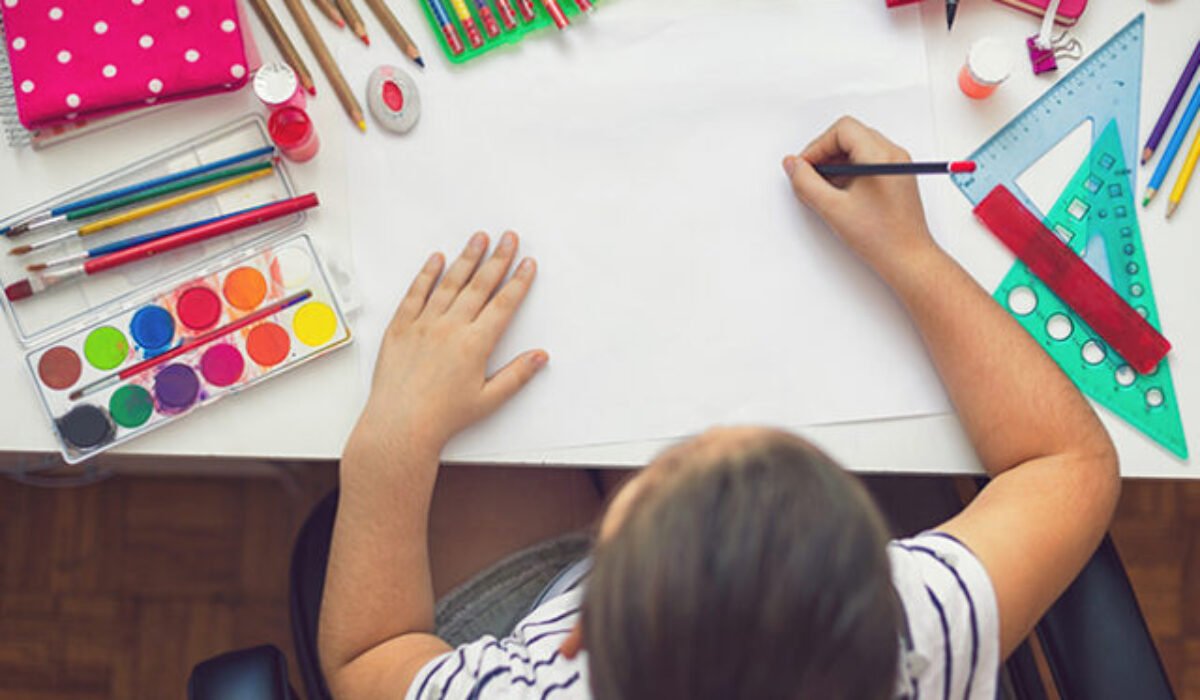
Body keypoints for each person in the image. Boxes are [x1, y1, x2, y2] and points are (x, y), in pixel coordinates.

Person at [317, 116, 1120, 699]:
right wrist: (912, 253)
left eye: (658, 480)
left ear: (580, 637)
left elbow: (371, 656)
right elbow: (1068, 463)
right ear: (887, 593)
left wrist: (391, 440)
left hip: (523, 600)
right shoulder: (918, 642)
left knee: (473, 453)